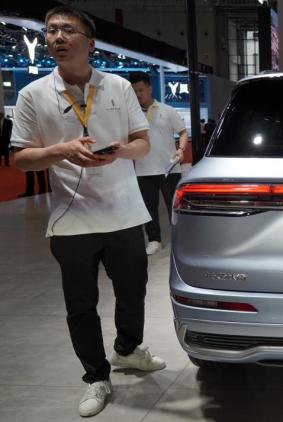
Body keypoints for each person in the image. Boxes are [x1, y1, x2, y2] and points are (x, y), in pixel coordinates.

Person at [10, 7, 165, 417]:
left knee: (133, 292)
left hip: (125, 213)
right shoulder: (33, 95)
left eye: (67, 30)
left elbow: (142, 144)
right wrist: (62, 150)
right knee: (81, 304)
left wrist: (118, 153)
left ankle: (128, 349)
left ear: (90, 42)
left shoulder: (118, 86)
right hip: (71, 218)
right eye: (51, 31)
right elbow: (21, 159)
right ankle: (96, 376)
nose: (57, 37)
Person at [129, 71, 188, 255]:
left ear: (149, 88)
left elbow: (182, 132)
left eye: (141, 90)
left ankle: (180, 239)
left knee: (174, 207)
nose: (138, 94)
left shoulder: (167, 110)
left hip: (169, 168)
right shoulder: (131, 115)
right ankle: (154, 240)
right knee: (149, 208)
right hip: (143, 169)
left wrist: (181, 149)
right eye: (134, 91)